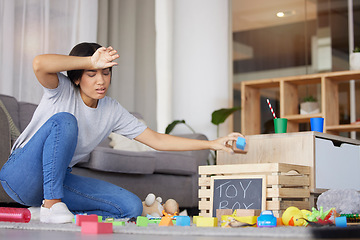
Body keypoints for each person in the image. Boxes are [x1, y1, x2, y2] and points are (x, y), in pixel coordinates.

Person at [0, 42, 243, 224]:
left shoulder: (111, 110)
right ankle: (53, 205)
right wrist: (89, 61)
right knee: (65, 121)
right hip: (20, 176)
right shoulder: (61, 91)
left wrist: (212, 143)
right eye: (92, 74)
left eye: (105, 73)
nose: (100, 81)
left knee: (130, 207)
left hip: (54, 182)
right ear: (77, 78)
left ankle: (44, 210)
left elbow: (157, 140)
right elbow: (39, 64)